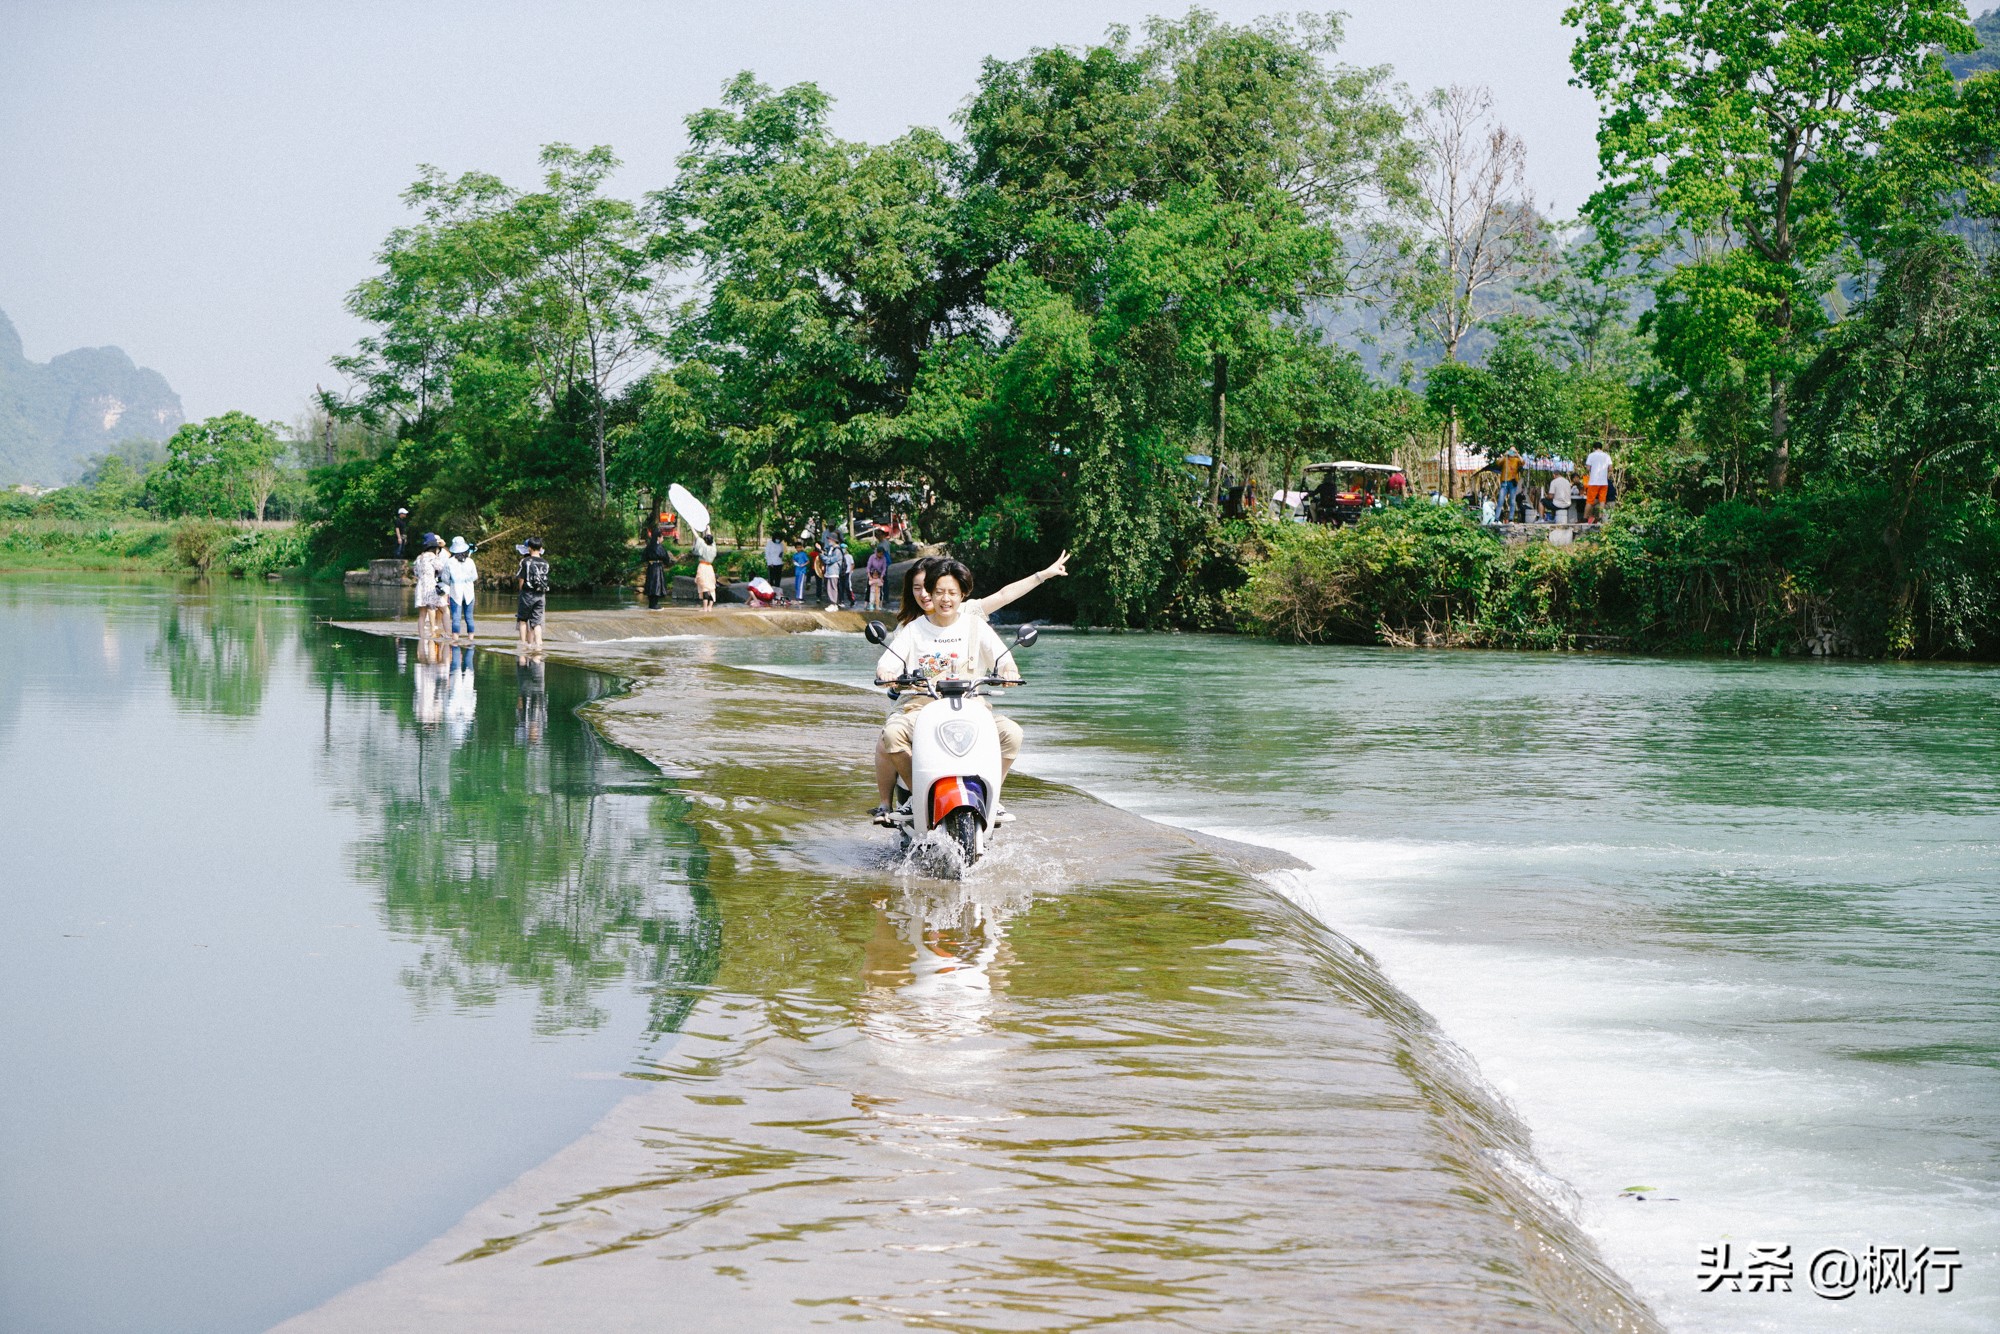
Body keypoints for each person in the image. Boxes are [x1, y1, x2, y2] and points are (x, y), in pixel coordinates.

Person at [871, 559, 1023, 822]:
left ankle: (993, 796)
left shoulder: (976, 627)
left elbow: (1004, 659)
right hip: (922, 708)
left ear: (963, 594)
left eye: (952, 593)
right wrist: (887, 674)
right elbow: (888, 663)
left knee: (1012, 733)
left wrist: (1010, 671)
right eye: (939, 592)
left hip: (973, 709)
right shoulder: (913, 629)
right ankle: (917, 797)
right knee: (893, 734)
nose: (945, 599)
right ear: (930, 591)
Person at [514, 537, 550, 652]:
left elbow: (521, 579)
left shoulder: (525, 562)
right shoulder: (545, 563)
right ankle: (539, 644)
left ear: (529, 548)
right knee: (537, 622)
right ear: (541, 548)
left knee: (523, 620)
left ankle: (524, 644)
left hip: (527, 594)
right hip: (541, 595)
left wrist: (521, 592)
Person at [412, 533, 447, 640]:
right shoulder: (432, 557)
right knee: (432, 608)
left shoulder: (419, 558)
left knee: (422, 613)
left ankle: (421, 635)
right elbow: (441, 568)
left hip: (420, 586)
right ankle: (433, 632)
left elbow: (416, 572)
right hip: (430, 584)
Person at [443, 536, 479, 640]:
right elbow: (475, 576)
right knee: (469, 617)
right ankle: (471, 638)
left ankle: (455, 639)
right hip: (469, 592)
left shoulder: (449, 562)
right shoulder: (470, 561)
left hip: (455, 592)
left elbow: (445, 578)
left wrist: (452, 582)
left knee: (456, 618)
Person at [642, 521, 669, 610]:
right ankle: (655, 605)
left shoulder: (649, 546)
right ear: (658, 537)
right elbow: (665, 557)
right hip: (657, 568)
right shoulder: (658, 547)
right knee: (656, 585)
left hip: (650, 567)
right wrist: (667, 563)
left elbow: (643, 557)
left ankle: (651, 604)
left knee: (651, 584)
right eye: (662, 537)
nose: (663, 539)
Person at [1584, 443, 1613, 523]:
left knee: (1589, 501)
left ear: (1594, 448)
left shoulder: (1591, 455)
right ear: (1601, 448)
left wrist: (1593, 469)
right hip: (1604, 482)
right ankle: (1600, 518)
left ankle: (1585, 517)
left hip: (1594, 481)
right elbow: (1610, 468)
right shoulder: (1607, 456)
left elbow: (1588, 468)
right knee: (1602, 501)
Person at [1496, 448, 1524, 522]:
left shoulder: (1516, 460)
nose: (1512, 453)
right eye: (1511, 451)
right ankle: (1496, 518)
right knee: (1500, 500)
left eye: (1513, 451)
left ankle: (1511, 519)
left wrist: (1517, 454)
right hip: (1504, 482)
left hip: (1513, 482)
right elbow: (1498, 462)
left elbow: (1523, 462)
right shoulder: (1505, 459)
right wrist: (1505, 455)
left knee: (1512, 501)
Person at [693, 528, 718, 610]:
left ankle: (704, 608)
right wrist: (708, 529)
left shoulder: (703, 546)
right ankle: (710, 607)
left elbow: (697, 536)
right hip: (710, 568)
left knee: (704, 587)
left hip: (703, 567)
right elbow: (710, 538)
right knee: (711, 587)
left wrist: (692, 527)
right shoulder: (713, 547)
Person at [866, 542, 889, 611]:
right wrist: (869, 576)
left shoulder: (884, 558)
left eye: (882, 554)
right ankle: (869, 603)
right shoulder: (872, 557)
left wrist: (882, 576)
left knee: (880, 590)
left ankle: (879, 603)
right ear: (877, 553)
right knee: (869, 589)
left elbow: (884, 568)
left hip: (880, 574)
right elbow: (868, 567)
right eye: (880, 554)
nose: (881, 555)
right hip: (872, 573)